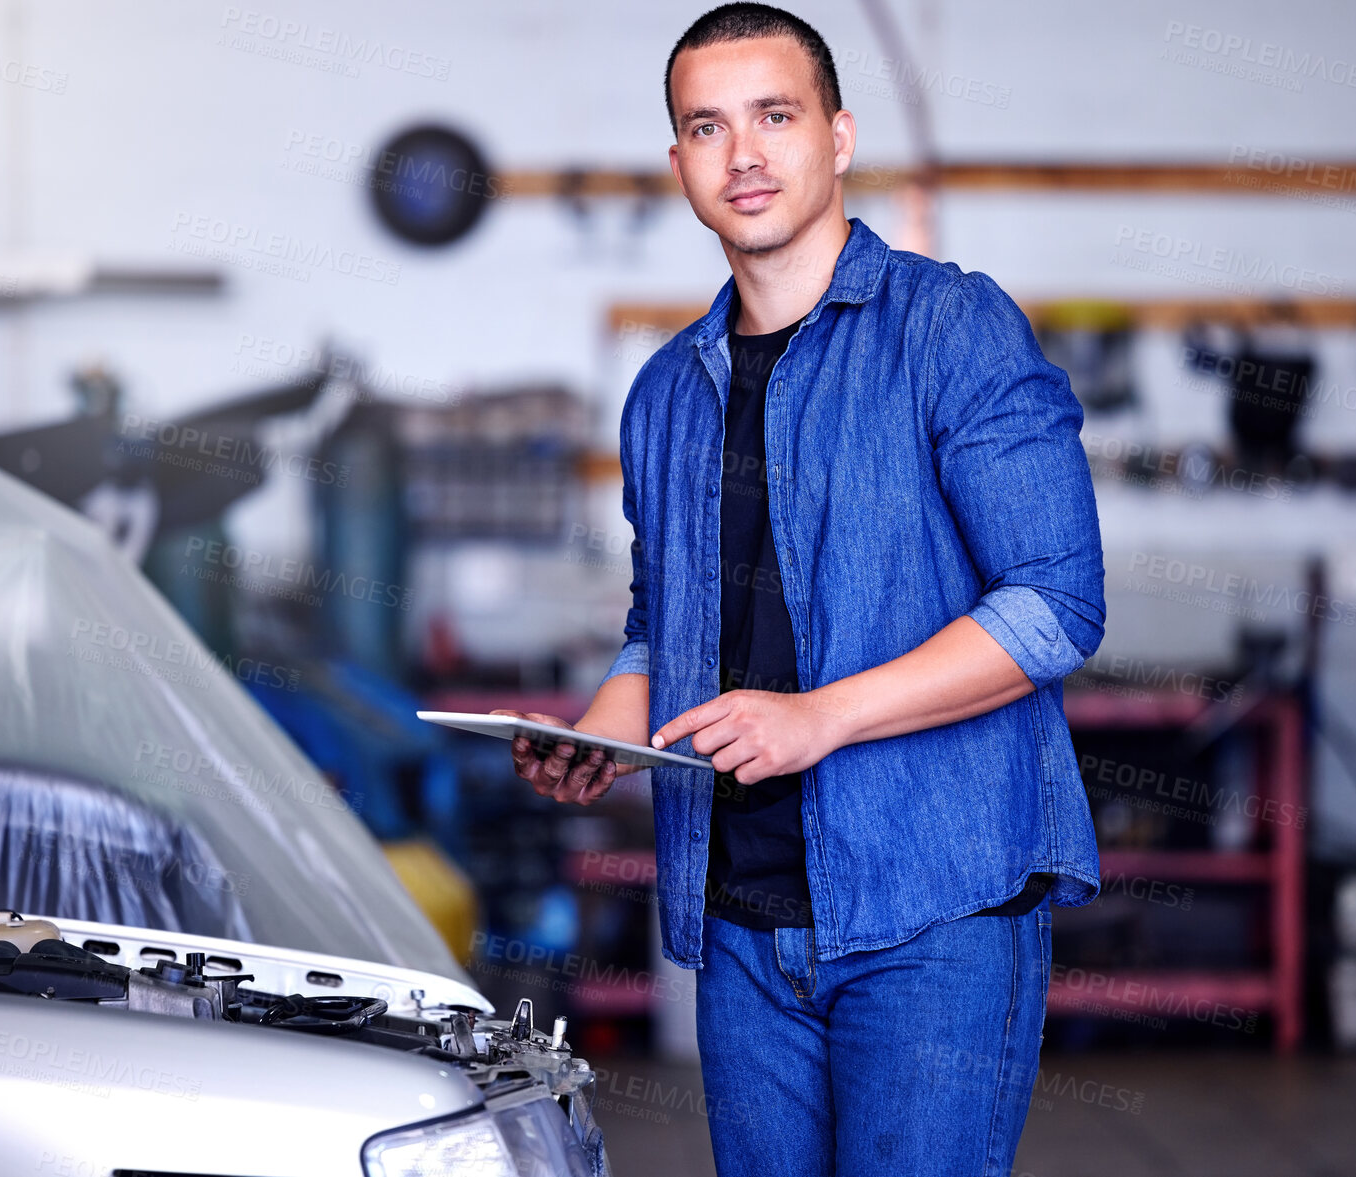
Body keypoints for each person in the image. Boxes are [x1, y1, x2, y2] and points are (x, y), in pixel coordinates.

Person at [496, 5, 1105, 1174]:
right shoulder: (666, 393)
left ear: (839, 135)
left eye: (774, 116)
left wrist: (818, 717)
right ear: (678, 165)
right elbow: (657, 630)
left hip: (933, 912)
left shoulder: (951, 329)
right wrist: (603, 734)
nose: (744, 155)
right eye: (706, 127)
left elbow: (1054, 602)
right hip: (742, 927)